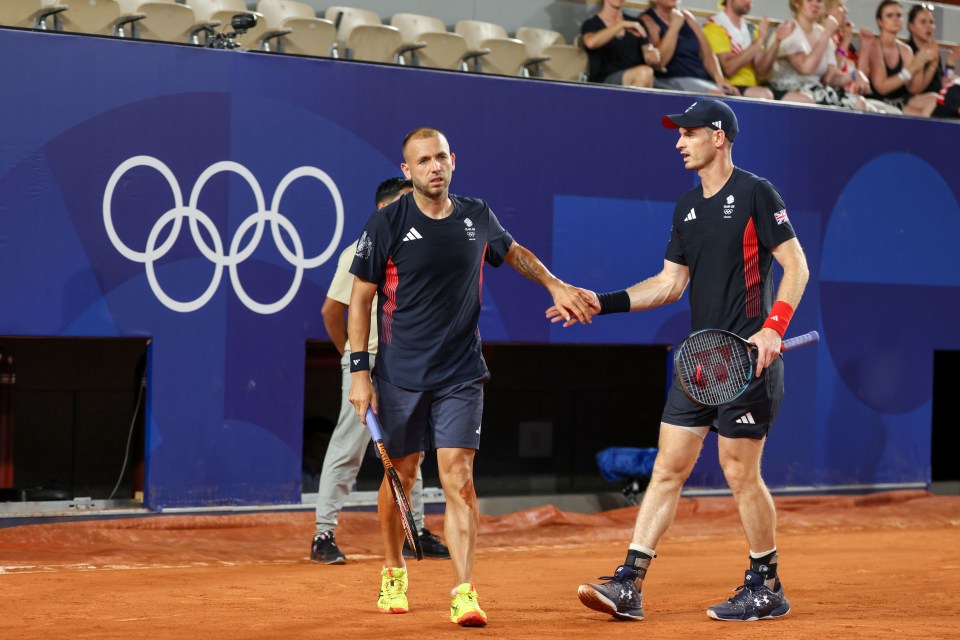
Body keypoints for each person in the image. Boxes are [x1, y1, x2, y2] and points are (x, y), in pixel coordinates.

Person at [556, 99, 810, 622]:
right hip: (701, 364)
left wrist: (773, 328)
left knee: (739, 473)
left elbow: (795, 266)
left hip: (748, 361)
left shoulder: (757, 193)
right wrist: (602, 302)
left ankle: (766, 584)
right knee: (668, 468)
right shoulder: (687, 207)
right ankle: (629, 582)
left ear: (719, 137)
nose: (679, 142)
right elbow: (670, 283)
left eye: (689, 133)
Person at [347, 127, 593, 626]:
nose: (434, 166)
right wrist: (360, 371)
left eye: (441, 157)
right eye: (423, 161)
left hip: (460, 370)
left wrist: (555, 284)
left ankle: (464, 590)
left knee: (459, 478)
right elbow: (359, 298)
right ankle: (393, 570)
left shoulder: (476, 215)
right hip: (400, 373)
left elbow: (515, 252)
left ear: (453, 161)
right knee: (404, 475)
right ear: (407, 171)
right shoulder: (387, 222)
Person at [311, 178, 451, 565]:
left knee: (410, 452)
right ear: (384, 209)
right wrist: (354, 360)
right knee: (348, 448)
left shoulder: (415, 254)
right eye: (406, 202)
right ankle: (323, 533)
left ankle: (415, 529)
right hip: (367, 365)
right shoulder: (360, 251)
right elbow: (331, 312)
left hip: (406, 366)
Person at [703, 0, 812, 102]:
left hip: (756, 88)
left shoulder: (751, 29)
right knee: (764, 95)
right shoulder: (714, 26)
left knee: (804, 99)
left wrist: (777, 41)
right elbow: (728, 68)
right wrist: (759, 41)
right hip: (731, 86)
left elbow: (762, 71)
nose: (749, 1)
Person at [767, 0, 868, 110]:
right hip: (787, 88)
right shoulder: (789, 29)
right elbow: (805, 68)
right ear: (797, 3)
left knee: (859, 103)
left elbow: (831, 77)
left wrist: (854, 75)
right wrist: (826, 35)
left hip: (816, 89)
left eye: (819, 1)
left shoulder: (821, 32)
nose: (815, 4)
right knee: (808, 101)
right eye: (809, 0)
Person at [641, 0, 738, 95]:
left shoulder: (687, 17)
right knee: (717, 96)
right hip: (671, 80)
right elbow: (660, 62)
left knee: (735, 95)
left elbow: (707, 53)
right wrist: (675, 26)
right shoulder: (647, 19)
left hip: (701, 80)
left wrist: (720, 80)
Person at [864, 0, 939, 115]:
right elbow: (882, 87)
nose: (896, 19)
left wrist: (921, 62)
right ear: (880, 21)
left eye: (899, 15)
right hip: (878, 101)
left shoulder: (905, 50)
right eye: (890, 15)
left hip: (900, 100)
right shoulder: (874, 47)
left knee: (934, 99)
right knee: (917, 115)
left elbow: (914, 89)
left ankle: (924, 132)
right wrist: (912, 68)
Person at [580, 0, 661, 88]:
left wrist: (653, 55)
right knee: (643, 73)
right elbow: (590, 43)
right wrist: (621, 25)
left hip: (639, 77)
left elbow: (648, 52)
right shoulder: (592, 24)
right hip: (605, 82)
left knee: (647, 74)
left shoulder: (637, 23)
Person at [907, 3, 959, 95]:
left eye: (931, 22)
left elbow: (943, 82)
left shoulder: (933, 50)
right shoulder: (908, 52)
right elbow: (917, 90)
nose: (929, 26)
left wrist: (950, 63)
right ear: (911, 26)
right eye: (923, 22)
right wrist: (932, 65)